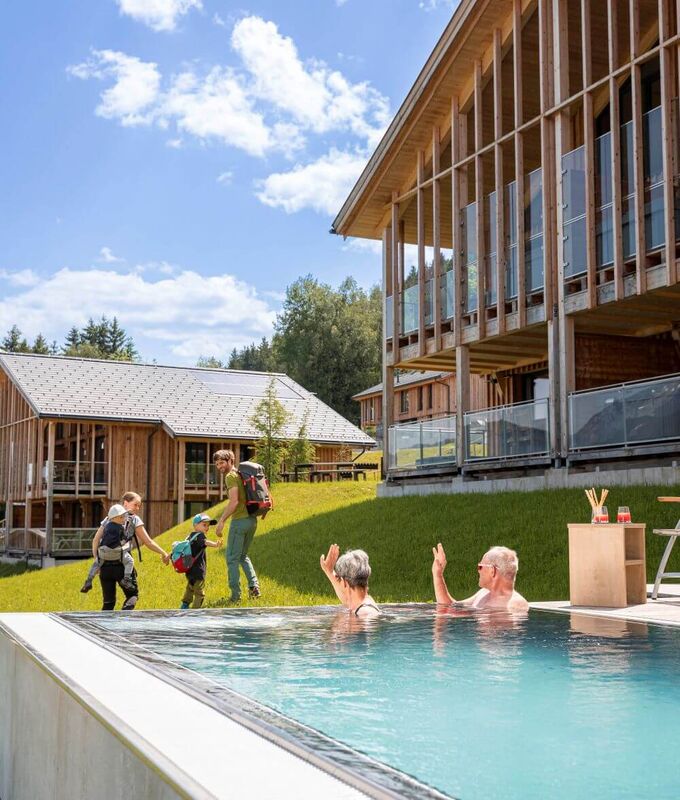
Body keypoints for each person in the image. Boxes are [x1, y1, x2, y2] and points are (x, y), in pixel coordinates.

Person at [91, 491, 170, 611]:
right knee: (132, 596)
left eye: (139, 506)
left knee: (108, 603)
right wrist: (164, 553)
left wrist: (97, 562)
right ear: (126, 503)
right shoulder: (134, 519)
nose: (138, 508)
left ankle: (102, 629)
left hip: (105, 567)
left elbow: (96, 540)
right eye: (136, 505)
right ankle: (123, 622)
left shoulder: (109, 518)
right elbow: (148, 542)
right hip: (123, 565)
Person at [213, 450, 261, 602]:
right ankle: (254, 588)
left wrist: (221, 521)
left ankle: (235, 596)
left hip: (240, 521)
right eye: (217, 464)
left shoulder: (231, 477)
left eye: (221, 462)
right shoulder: (242, 474)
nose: (219, 466)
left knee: (232, 559)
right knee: (242, 556)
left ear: (230, 461)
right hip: (252, 521)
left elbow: (233, 501)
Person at [431, 542, 529, 612]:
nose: (478, 570)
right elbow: (449, 608)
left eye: (480, 566)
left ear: (492, 571)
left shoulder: (515, 604)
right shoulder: (483, 594)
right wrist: (438, 574)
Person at [80, 503, 135, 593]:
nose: (123, 518)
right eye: (121, 517)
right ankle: (126, 579)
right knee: (130, 561)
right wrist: (130, 532)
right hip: (116, 554)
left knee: (96, 564)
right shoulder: (120, 528)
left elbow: (99, 540)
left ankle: (89, 580)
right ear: (115, 518)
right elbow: (125, 539)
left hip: (103, 553)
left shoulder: (107, 526)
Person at [320, 544, 380, 618]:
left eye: (338, 579)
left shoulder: (364, 613)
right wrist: (329, 571)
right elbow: (346, 597)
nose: (337, 582)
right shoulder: (360, 604)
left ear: (344, 582)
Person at [179, 513, 223, 609]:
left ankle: (184, 606)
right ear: (195, 525)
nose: (207, 527)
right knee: (200, 594)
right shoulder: (200, 536)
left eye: (208, 525)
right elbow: (205, 542)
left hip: (189, 570)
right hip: (198, 571)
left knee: (190, 588)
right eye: (204, 525)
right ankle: (194, 613)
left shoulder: (189, 536)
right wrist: (215, 544)